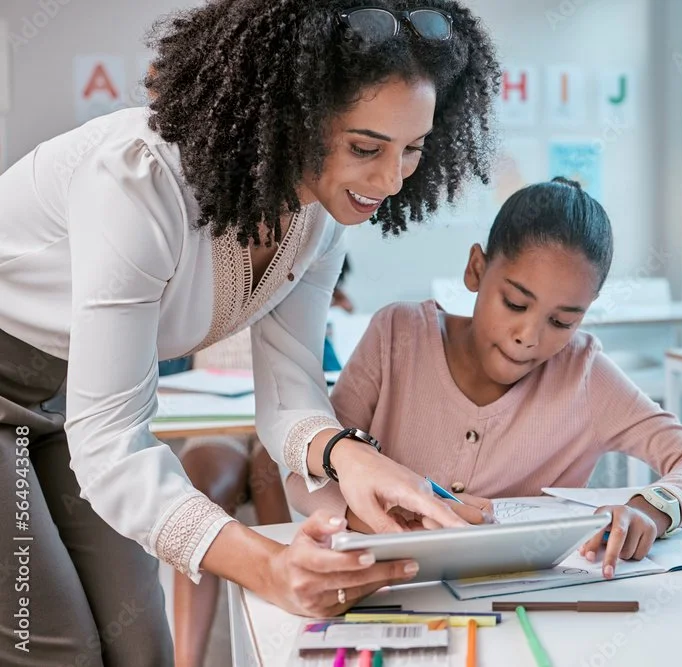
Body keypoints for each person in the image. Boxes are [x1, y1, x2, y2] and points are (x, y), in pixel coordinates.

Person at [0, 1, 501, 664]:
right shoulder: (138, 180)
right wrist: (267, 565)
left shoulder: (318, 218)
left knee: (141, 643)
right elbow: (113, 448)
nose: (388, 180)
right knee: (55, 644)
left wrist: (357, 459)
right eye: (364, 147)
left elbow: (291, 395)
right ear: (294, 117)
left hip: (65, 400)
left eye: (412, 149)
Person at [287, 179, 682, 578]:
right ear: (477, 269)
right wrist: (372, 518)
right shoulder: (396, 335)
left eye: (561, 322)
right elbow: (304, 471)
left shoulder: (584, 374)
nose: (528, 338)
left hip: (521, 600)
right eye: (516, 304)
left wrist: (651, 510)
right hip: (386, 584)